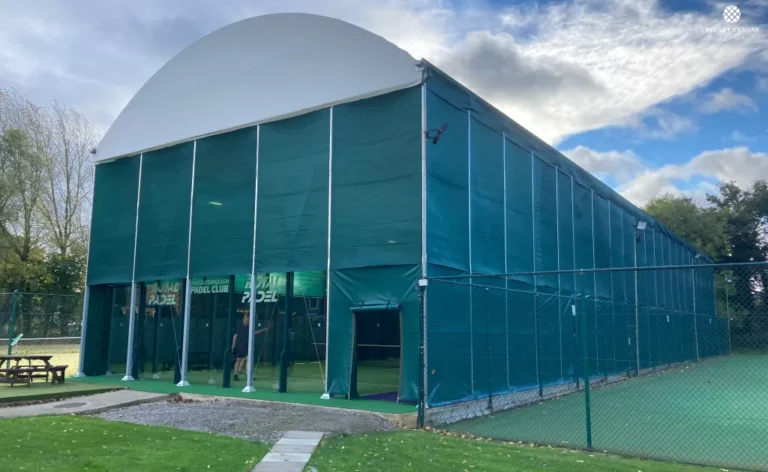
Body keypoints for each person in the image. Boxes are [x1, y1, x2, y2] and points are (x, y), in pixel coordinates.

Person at [232, 313, 270, 381]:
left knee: (248, 360)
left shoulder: (250, 327)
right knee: (238, 360)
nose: (247, 321)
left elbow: (254, 333)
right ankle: (236, 375)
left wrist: (264, 330)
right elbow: (235, 336)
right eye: (246, 319)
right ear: (243, 320)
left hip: (247, 347)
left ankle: (249, 376)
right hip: (239, 346)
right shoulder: (239, 327)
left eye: (248, 319)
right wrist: (233, 345)